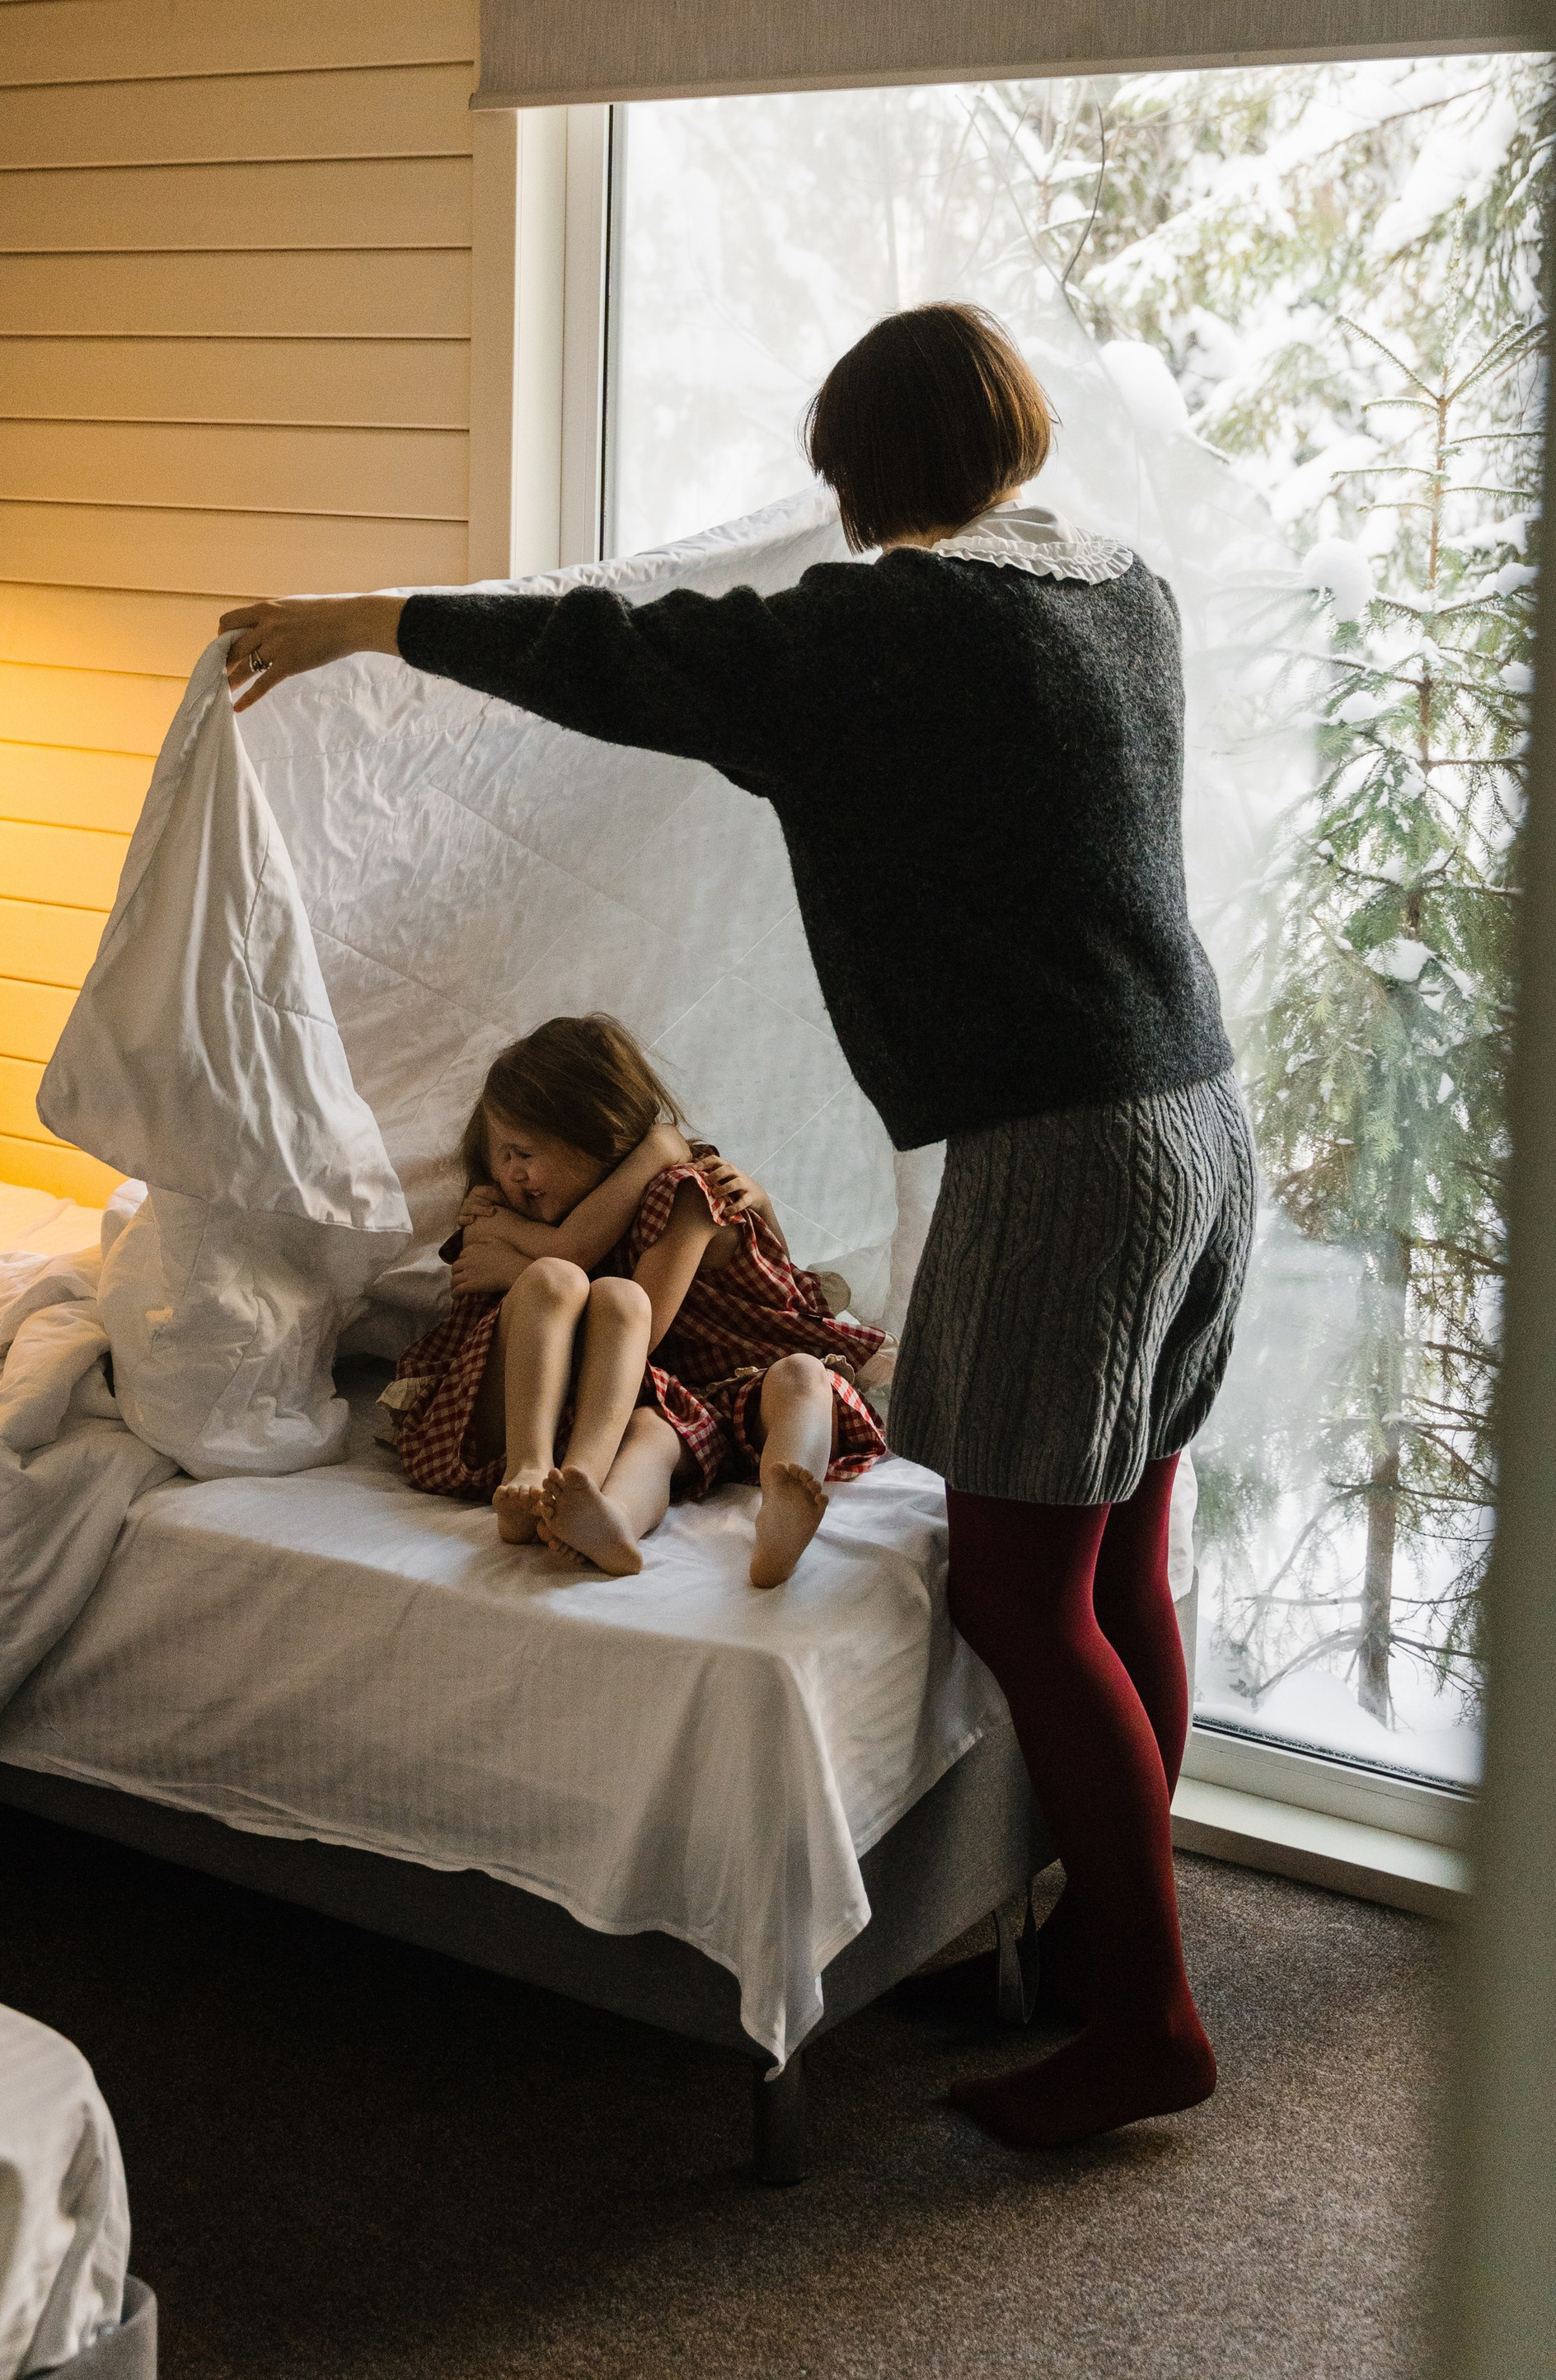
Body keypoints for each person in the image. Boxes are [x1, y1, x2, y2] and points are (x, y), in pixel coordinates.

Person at [219, 299, 1255, 2155]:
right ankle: (1089, 1946)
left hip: (1064, 1151)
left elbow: (622, 653)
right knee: (1115, 1569)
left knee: (1024, 1587)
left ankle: (1145, 2015)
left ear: (854, 475)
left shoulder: (890, 630)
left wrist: (366, 625)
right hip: (1192, 1116)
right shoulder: (1116, 591)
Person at [387, 1014, 884, 1581]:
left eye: (524, 1152)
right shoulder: (525, 1208)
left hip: (740, 1374)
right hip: (677, 1396)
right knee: (652, 1430)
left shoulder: (683, 1192)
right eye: (501, 1155)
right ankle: (609, 1518)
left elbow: (640, 1325)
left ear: (595, 1133)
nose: (512, 1174)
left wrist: (515, 1264)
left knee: (800, 1377)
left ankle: (783, 1507)